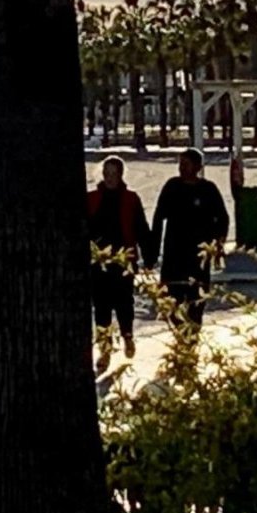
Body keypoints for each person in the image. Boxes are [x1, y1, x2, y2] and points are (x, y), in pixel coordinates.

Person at [146, 148, 231, 339]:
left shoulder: (208, 190)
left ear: (198, 167)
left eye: (186, 164)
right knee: (171, 300)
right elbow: (159, 218)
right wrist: (152, 252)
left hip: (198, 258)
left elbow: (223, 218)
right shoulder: (172, 187)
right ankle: (180, 335)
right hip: (174, 255)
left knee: (196, 301)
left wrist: (218, 245)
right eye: (180, 164)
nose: (181, 168)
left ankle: (192, 337)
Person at [87, 156, 151, 373]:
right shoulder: (92, 199)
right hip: (99, 263)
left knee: (125, 304)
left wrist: (149, 257)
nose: (110, 178)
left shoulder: (131, 200)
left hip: (124, 260)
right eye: (107, 174)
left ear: (121, 175)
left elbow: (142, 229)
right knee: (101, 308)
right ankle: (104, 349)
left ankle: (127, 336)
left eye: (114, 174)